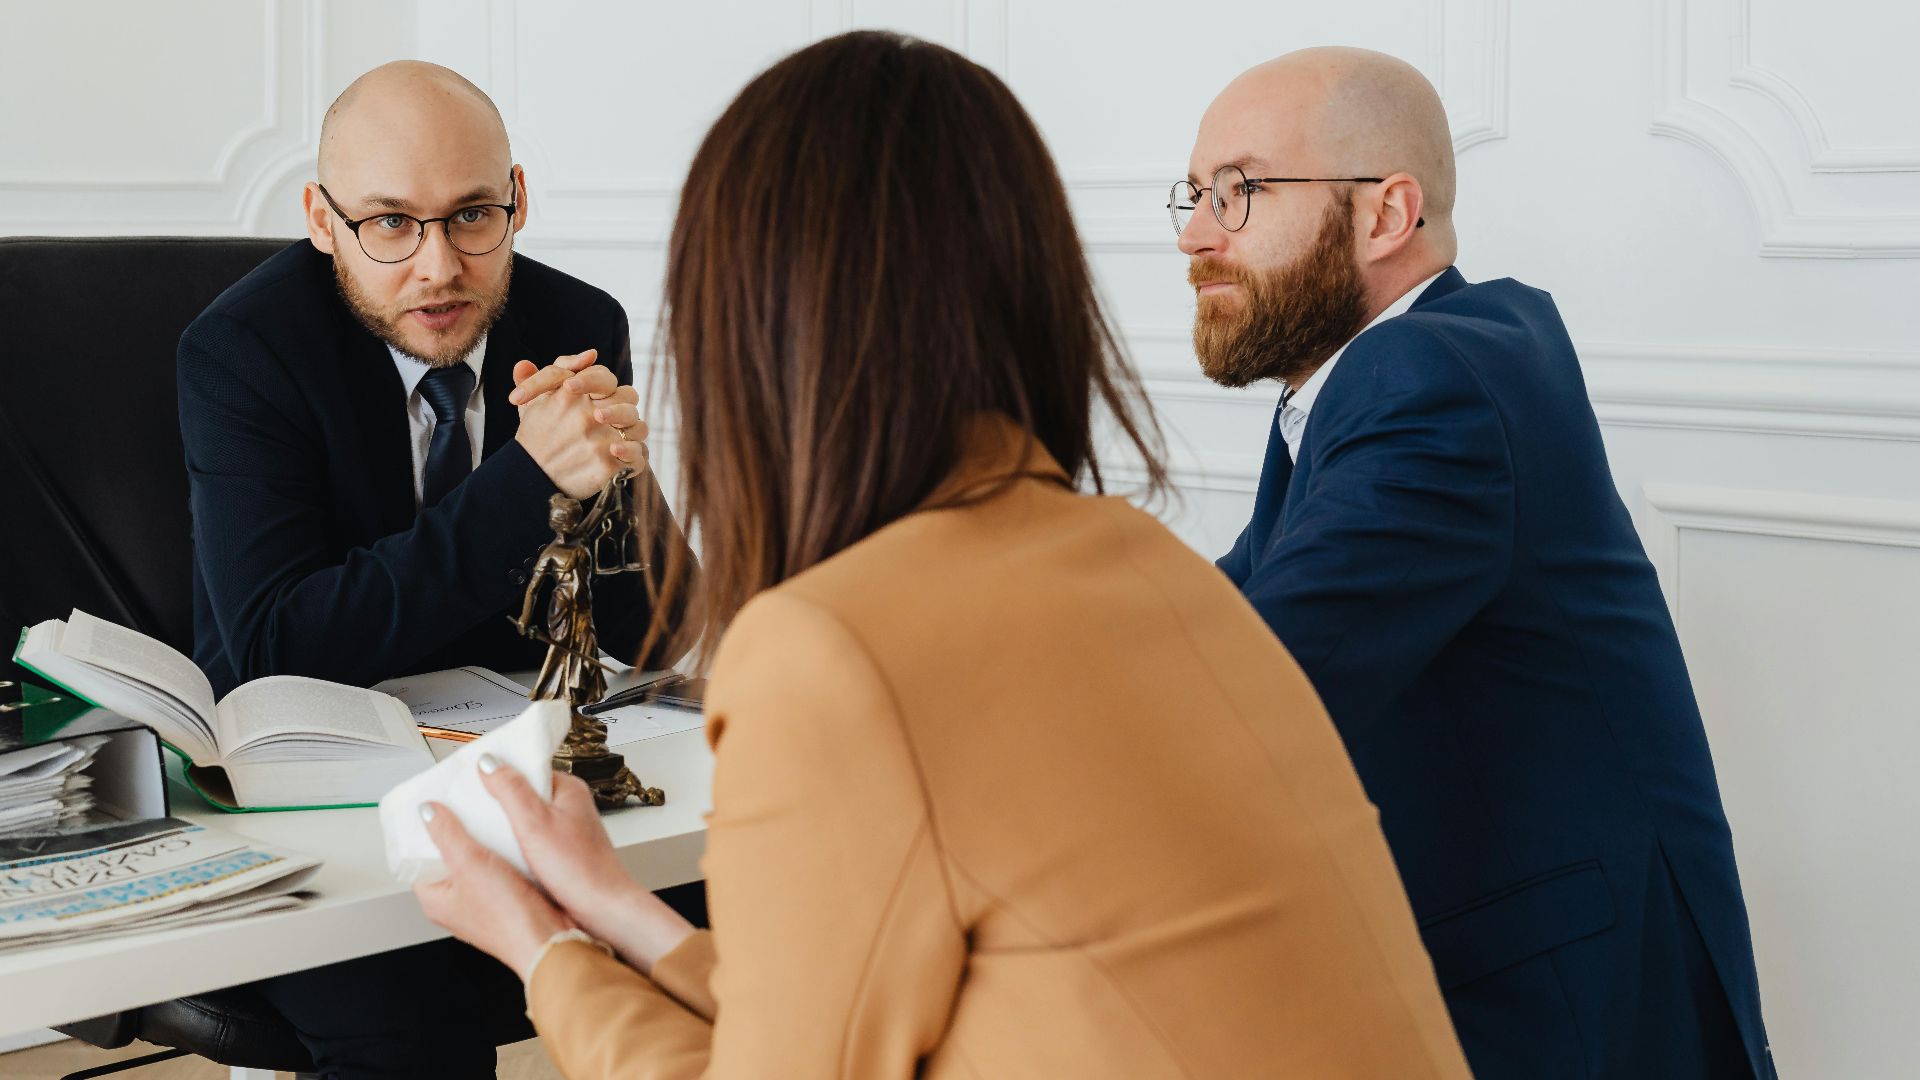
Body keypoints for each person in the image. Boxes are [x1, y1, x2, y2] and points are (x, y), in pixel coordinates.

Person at [413, 31, 1472, 1080]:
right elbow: (849, 1007)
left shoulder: (831, 648)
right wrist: (613, 909)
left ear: (753, 323)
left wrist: (541, 952)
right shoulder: (1140, 559)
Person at [1176, 47, 1772, 1078]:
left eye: (1240, 191)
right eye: (1194, 195)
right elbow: (1226, 605)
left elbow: (1257, 680)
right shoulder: (1379, 376)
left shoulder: (1428, 376)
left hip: (1566, 1011)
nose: (1195, 235)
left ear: (1386, 214)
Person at [175, 61, 697, 1078]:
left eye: (470, 216)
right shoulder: (241, 350)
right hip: (312, 795)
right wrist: (526, 479)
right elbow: (283, 640)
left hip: (514, 761)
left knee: (761, 903)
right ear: (323, 221)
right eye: (389, 224)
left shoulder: (574, 322)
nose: (436, 266)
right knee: (407, 1024)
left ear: (517, 201)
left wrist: (621, 485)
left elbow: (653, 631)